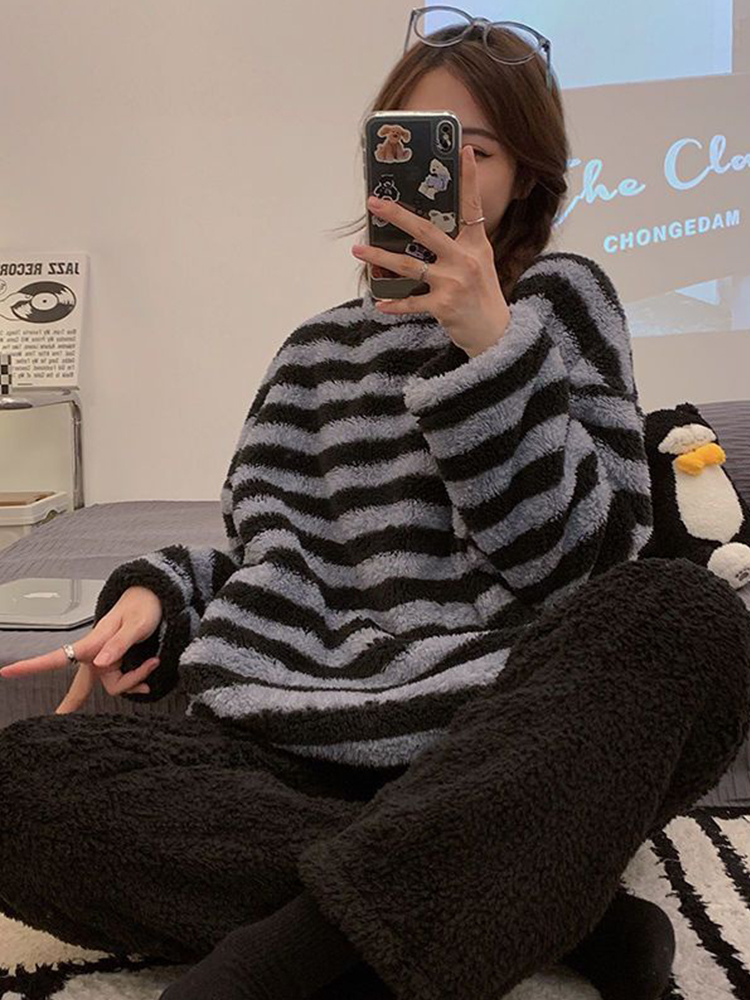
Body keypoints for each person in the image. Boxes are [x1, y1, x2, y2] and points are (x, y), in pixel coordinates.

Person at [1, 14, 749, 1000]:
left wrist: (492, 350)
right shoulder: (312, 352)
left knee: (687, 616)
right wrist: (160, 598)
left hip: (499, 741)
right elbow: (275, 555)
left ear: (526, 177)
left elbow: (583, 566)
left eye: (476, 150)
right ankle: (556, 912)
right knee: (18, 785)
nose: (445, 173)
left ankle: (290, 955)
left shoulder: (563, 304)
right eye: (415, 144)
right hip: (292, 739)